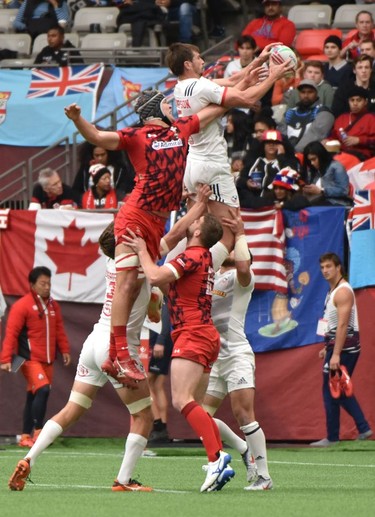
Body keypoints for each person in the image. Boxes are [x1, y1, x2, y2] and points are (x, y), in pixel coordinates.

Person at [64, 91, 231, 387]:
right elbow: (99, 138)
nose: (172, 106)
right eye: (167, 103)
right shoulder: (136, 135)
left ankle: (113, 356)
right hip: (137, 215)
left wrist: (249, 84)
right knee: (128, 283)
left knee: (131, 284)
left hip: (154, 222)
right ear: (155, 108)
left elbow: (217, 108)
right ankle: (119, 353)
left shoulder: (180, 129)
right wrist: (78, 118)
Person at [6, 225, 155, 492]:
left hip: (93, 341)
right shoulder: (139, 266)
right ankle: (123, 481)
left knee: (70, 410)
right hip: (117, 346)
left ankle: (29, 458)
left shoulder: (113, 261)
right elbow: (155, 309)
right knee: (144, 415)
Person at [125, 212, 236, 493]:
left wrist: (141, 251)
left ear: (198, 233)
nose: (189, 224)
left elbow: (154, 274)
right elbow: (169, 286)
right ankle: (220, 456)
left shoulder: (193, 255)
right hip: (205, 334)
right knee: (197, 404)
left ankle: (216, 458)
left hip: (193, 333)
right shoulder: (205, 258)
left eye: (194, 223)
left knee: (181, 400)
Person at [166, 41, 293, 248]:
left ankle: (179, 276)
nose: (202, 60)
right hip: (212, 165)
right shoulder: (201, 86)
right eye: (198, 57)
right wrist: (274, 75)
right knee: (228, 238)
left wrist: (258, 61)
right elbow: (244, 98)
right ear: (188, 64)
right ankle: (190, 274)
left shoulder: (181, 88)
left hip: (192, 165)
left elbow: (234, 80)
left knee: (196, 232)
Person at [201, 208, 273, 491]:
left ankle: (264, 477)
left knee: (244, 414)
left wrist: (241, 233)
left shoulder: (242, 278)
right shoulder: (214, 274)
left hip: (236, 354)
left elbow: (242, 267)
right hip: (215, 357)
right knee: (201, 417)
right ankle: (244, 449)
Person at [0, 267, 71, 449]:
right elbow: (11, 333)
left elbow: (59, 331)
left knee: (34, 395)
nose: (47, 287)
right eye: (42, 283)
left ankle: (25, 436)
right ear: (32, 285)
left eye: (49, 283)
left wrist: (65, 350)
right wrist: (5, 358)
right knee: (43, 390)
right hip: (29, 360)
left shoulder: (53, 306)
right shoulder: (22, 306)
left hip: (48, 361)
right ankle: (39, 433)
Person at [310, 253, 372, 447]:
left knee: (335, 390)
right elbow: (332, 323)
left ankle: (340, 435)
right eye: (322, 267)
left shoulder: (343, 292)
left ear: (339, 268)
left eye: (329, 266)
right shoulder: (332, 291)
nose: (325, 271)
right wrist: (326, 347)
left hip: (345, 349)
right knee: (336, 390)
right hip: (336, 346)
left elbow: (344, 325)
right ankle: (350, 431)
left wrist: (335, 353)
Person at [236, 129, 300, 209]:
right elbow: (240, 180)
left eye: (275, 143)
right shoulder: (254, 162)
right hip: (252, 204)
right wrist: (246, 182)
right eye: (268, 143)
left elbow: (292, 176)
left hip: (274, 205)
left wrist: (281, 157)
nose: (271, 145)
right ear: (263, 145)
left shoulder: (286, 162)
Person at [279, 79, 335, 154]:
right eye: (303, 92)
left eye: (310, 92)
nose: (306, 95)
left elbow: (315, 136)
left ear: (316, 93)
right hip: (288, 156)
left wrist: (293, 153)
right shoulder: (290, 113)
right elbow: (281, 135)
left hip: (311, 156)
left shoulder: (324, 112)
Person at [147, 296, 173, 443]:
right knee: (157, 384)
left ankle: (158, 425)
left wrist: (160, 341)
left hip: (159, 337)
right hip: (159, 335)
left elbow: (166, 311)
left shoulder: (162, 286)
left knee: (146, 380)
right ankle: (161, 427)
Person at [330, 86, 375, 161]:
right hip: (340, 153)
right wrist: (327, 141)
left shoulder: (371, 118)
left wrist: (359, 140)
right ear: (348, 102)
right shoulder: (341, 118)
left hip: (362, 156)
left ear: (365, 102)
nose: (355, 103)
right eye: (352, 100)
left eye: (358, 100)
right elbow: (333, 137)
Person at [301, 141, 351, 207]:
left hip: (336, 203)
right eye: (309, 161)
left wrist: (322, 191)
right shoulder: (312, 170)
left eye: (314, 159)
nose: (312, 163)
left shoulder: (336, 167)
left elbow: (344, 190)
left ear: (321, 156)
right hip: (317, 201)